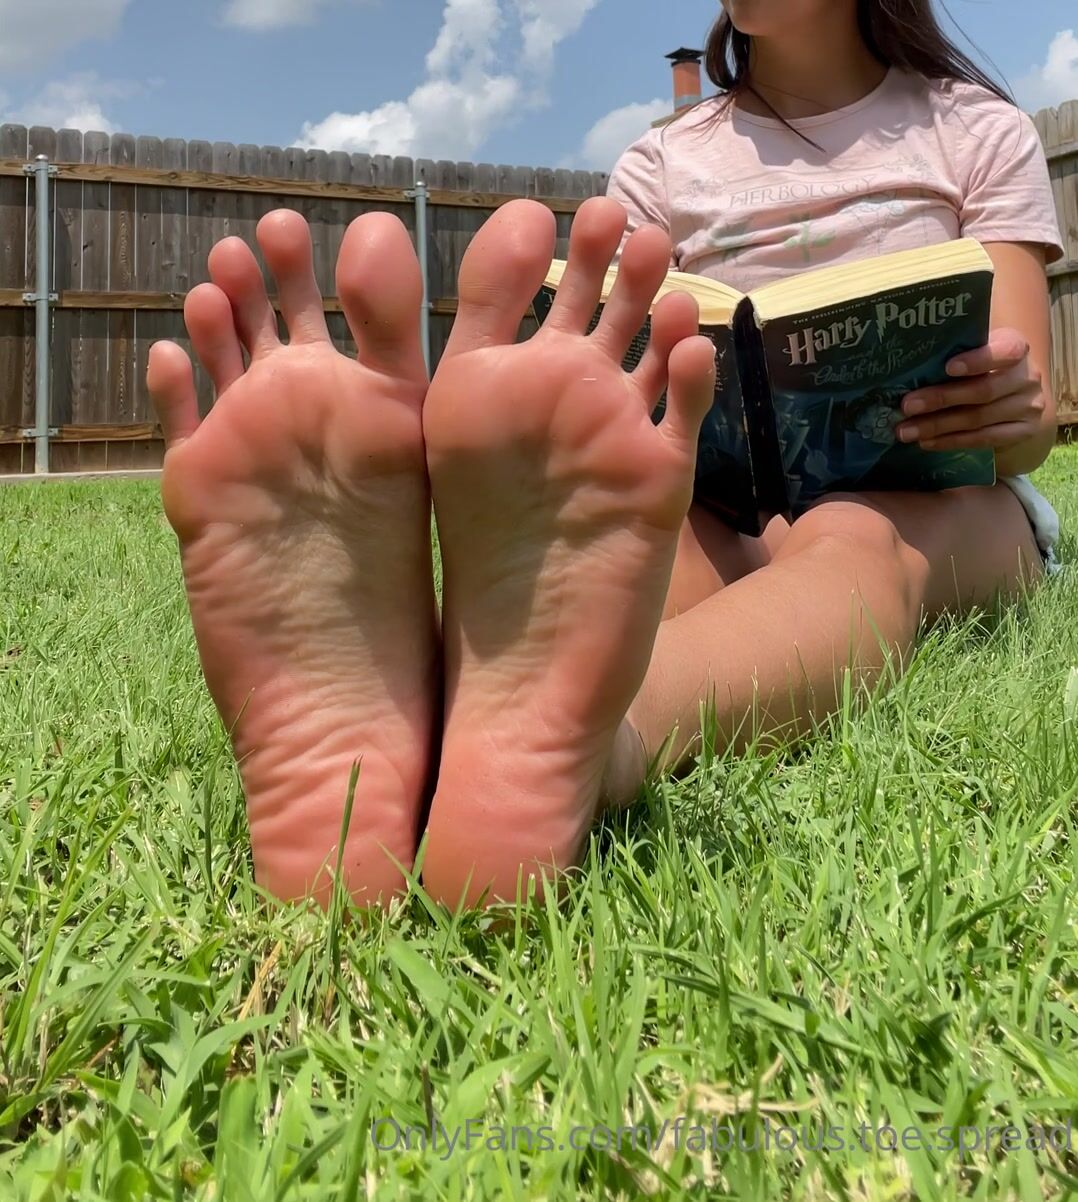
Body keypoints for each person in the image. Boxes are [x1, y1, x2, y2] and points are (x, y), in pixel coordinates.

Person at [147, 0, 1063, 911]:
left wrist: (1011, 404)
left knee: (853, 542)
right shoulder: (664, 162)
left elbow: (1028, 424)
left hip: (949, 510)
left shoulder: (974, 131)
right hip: (720, 498)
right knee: (616, 583)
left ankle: (603, 743)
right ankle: (424, 738)